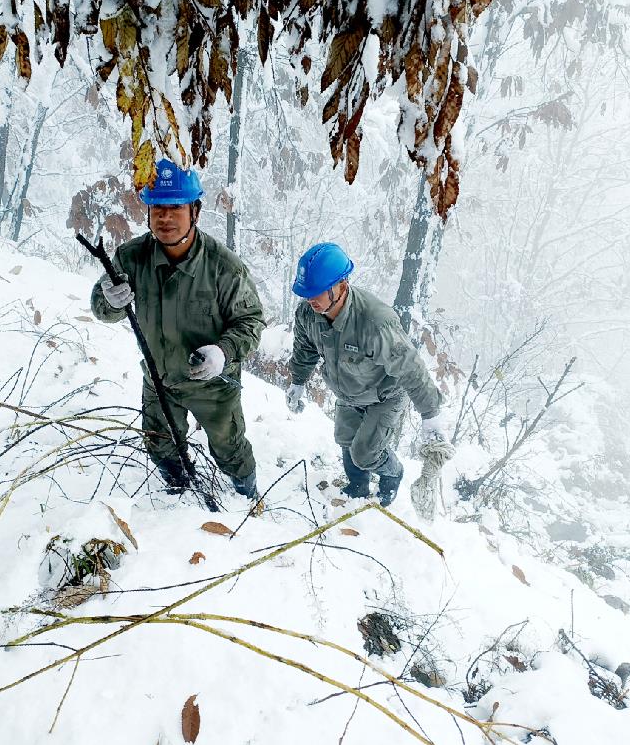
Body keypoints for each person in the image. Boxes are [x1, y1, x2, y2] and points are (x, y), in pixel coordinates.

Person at [91, 159, 265, 499]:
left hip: (212, 384)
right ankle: (180, 493)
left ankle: (247, 496)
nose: (165, 218)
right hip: (159, 380)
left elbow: (252, 321)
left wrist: (223, 352)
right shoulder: (132, 257)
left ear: (195, 212)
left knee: (229, 450)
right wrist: (110, 301)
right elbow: (103, 307)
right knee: (160, 447)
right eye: (157, 208)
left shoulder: (223, 267)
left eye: (175, 208)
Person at [285, 242, 447, 506]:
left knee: (365, 454)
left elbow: (410, 368)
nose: (311, 299)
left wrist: (430, 416)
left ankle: (393, 475)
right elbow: (304, 349)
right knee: (346, 442)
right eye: (307, 293)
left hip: (385, 396)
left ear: (341, 285)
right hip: (348, 392)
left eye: (317, 292)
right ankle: (358, 489)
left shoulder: (375, 323)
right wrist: (298, 382)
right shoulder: (307, 314)